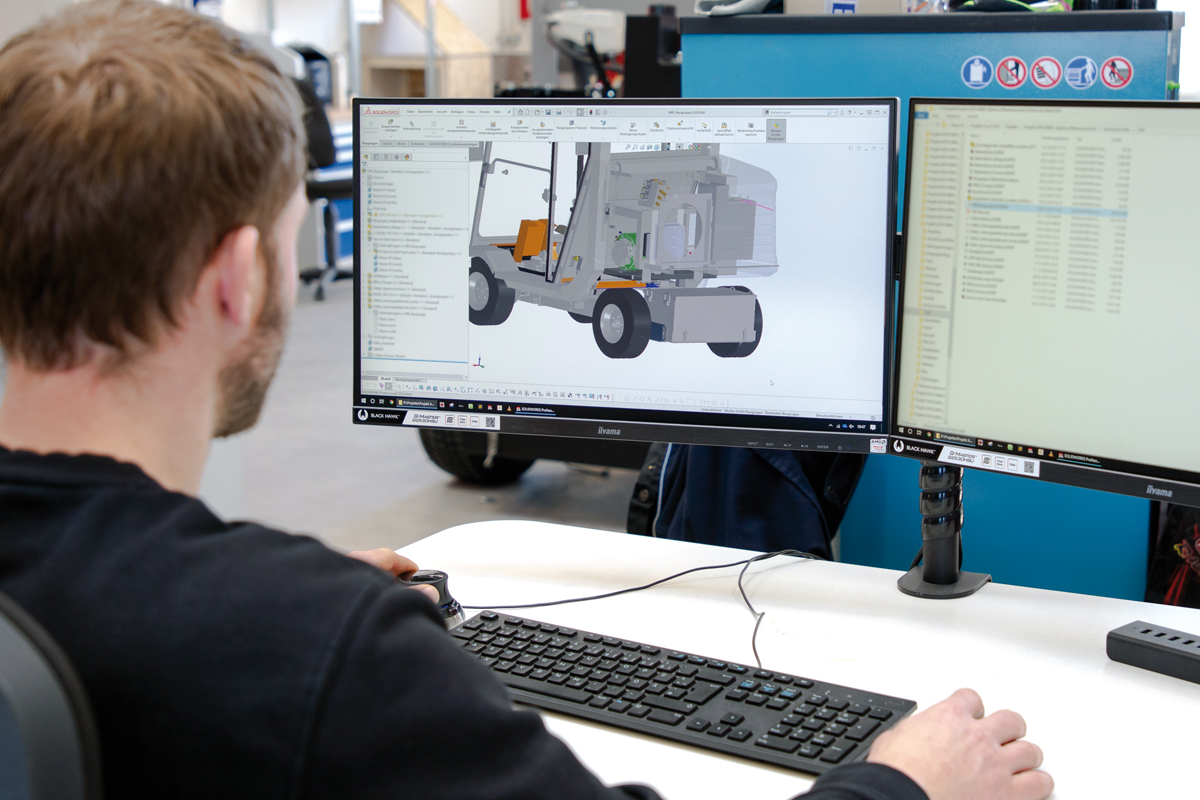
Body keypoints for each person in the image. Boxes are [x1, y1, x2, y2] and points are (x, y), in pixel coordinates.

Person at [0, 2, 1054, 799]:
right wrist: (905, 783)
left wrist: (278, 599)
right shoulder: (323, 651)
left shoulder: (257, 625)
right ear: (236, 278)